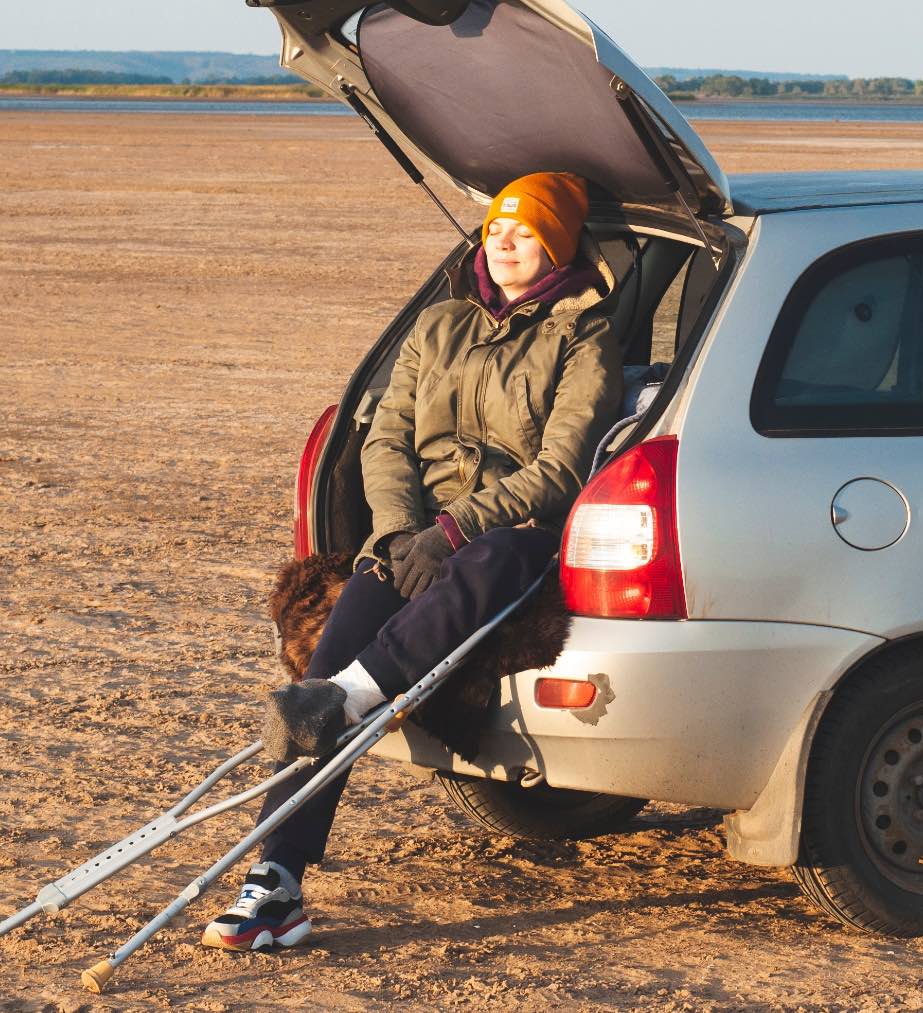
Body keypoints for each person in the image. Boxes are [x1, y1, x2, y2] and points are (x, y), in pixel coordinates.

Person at [200, 171, 622, 951]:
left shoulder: (583, 337)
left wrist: (454, 531)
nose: (502, 243)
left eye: (524, 232)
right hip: (412, 536)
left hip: (510, 533)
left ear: (558, 245)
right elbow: (386, 435)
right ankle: (277, 878)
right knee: (322, 674)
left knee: (495, 557)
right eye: (496, 227)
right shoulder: (440, 325)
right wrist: (398, 533)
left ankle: (354, 695)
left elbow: (559, 469)